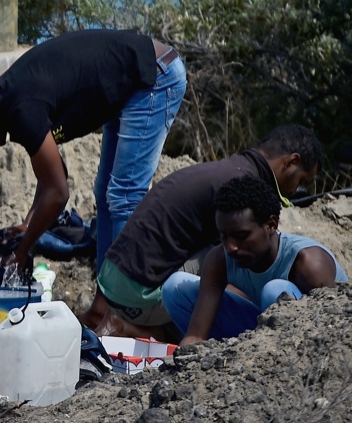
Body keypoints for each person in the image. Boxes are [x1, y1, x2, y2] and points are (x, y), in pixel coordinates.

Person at [0, 29, 186, 281]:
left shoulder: (22, 111)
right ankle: (106, 303)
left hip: (154, 77)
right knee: (106, 194)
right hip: (131, 85)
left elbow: (59, 192)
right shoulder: (9, 104)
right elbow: (51, 175)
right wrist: (28, 226)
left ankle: (123, 310)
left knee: (124, 196)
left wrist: (23, 248)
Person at [97, 124, 324, 340]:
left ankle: (146, 327)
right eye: (301, 180)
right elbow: (230, 272)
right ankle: (131, 327)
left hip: (115, 282)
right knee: (237, 254)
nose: (295, 190)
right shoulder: (240, 189)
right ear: (291, 161)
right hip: (138, 297)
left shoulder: (232, 169)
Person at [164, 175, 347, 345]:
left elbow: (333, 329)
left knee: (274, 291)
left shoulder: (308, 263)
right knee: (175, 287)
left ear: (270, 225)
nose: (231, 247)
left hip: (303, 340)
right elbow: (196, 335)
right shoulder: (220, 258)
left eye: (241, 236)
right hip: (258, 334)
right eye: (224, 236)